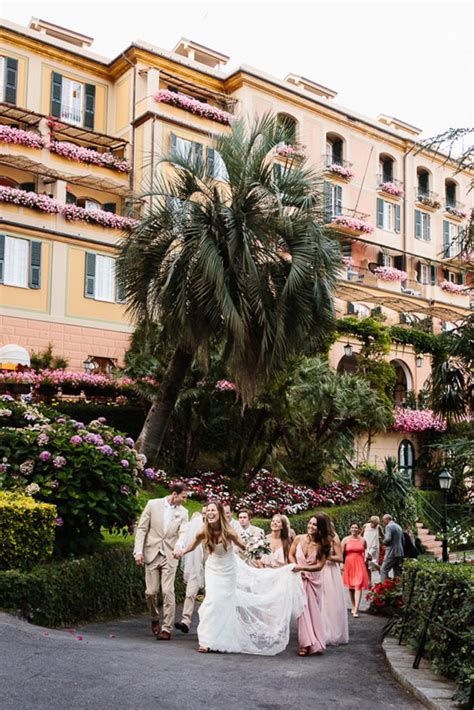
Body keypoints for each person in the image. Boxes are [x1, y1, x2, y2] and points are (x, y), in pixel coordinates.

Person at [180, 500, 306, 655]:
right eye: (208, 511)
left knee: (225, 603)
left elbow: (244, 547)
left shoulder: (230, 532)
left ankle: (221, 639)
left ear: (219, 513)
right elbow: (192, 545)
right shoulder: (202, 531)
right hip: (212, 568)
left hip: (228, 570)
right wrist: (181, 551)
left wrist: (257, 549)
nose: (210, 513)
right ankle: (206, 640)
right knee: (211, 601)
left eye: (213, 510)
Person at [133, 482, 189, 639]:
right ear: (174, 494)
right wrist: (138, 551)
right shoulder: (152, 504)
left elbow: (184, 532)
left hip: (170, 555)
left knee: (168, 591)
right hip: (151, 552)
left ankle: (167, 628)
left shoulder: (183, 512)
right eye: (183, 497)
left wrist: (179, 546)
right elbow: (142, 529)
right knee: (150, 592)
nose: (185, 500)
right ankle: (155, 617)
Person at [289, 515, 330, 656]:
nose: (310, 526)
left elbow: (319, 566)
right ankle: (305, 644)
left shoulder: (323, 544)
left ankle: (316, 640)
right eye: (310, 523)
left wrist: (302, 569)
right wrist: (295, 566)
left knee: (313, 612)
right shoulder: (298, 538)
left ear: (320, 529)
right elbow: (291, 554)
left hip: (313, 581)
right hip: (299, 580)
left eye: (315, 525)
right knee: (301, 611)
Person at [175, 504, 207, 634]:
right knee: (190, 593)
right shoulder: (197, 525)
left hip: (211, 567)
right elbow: (191, 544)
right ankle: (185, 621)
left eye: (209, 512)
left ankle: (206, 625)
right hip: (195, 565)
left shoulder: (218, 528)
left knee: (209, 597)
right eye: (204, 512)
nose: (206, 515)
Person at [318, 512, 349, 646]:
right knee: (318, 602)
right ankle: (319, 631)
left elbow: (340, 558)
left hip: (330, 571)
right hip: (317, 570)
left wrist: (327, 556)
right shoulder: (315, 536)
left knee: (330, 602)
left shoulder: (333, 537)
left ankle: (331, 632)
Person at [341, 522, 370, 618]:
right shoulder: (345, 540)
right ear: (350, 529)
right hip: (349, 563)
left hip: (359, 563)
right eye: (352, 527)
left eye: (356, 528)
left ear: (359, 529)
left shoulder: (363, 540)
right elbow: (341, 554)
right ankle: (353, 605)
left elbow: (365, 552)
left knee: (358, 585)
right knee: (351, 587)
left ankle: (356, 609)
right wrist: (341, 564)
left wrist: (368, 559)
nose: (354, 529)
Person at [380, 514, 404, 580]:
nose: (383, 522)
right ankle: (398, 586)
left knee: (383, 569)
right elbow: (403, 540)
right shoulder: (399, 526)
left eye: (383, 520)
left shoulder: (388, 527)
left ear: (387, 519)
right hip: (399, 551)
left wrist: (383, 542)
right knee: (397, 571)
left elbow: (388, 539)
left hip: (391, 551)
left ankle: (384, 587)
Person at [361, 516, 384, 583]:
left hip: (374, 547)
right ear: (371, 522)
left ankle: (379, 570)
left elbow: (383, 536)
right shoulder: (365, 526)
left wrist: (381, 540)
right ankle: (369, 581)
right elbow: (361, 535)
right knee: (366, 564)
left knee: (369, 560)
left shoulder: (379, 527)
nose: (376, 525)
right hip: (366, 546)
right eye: (375, 524)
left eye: (377, 524)